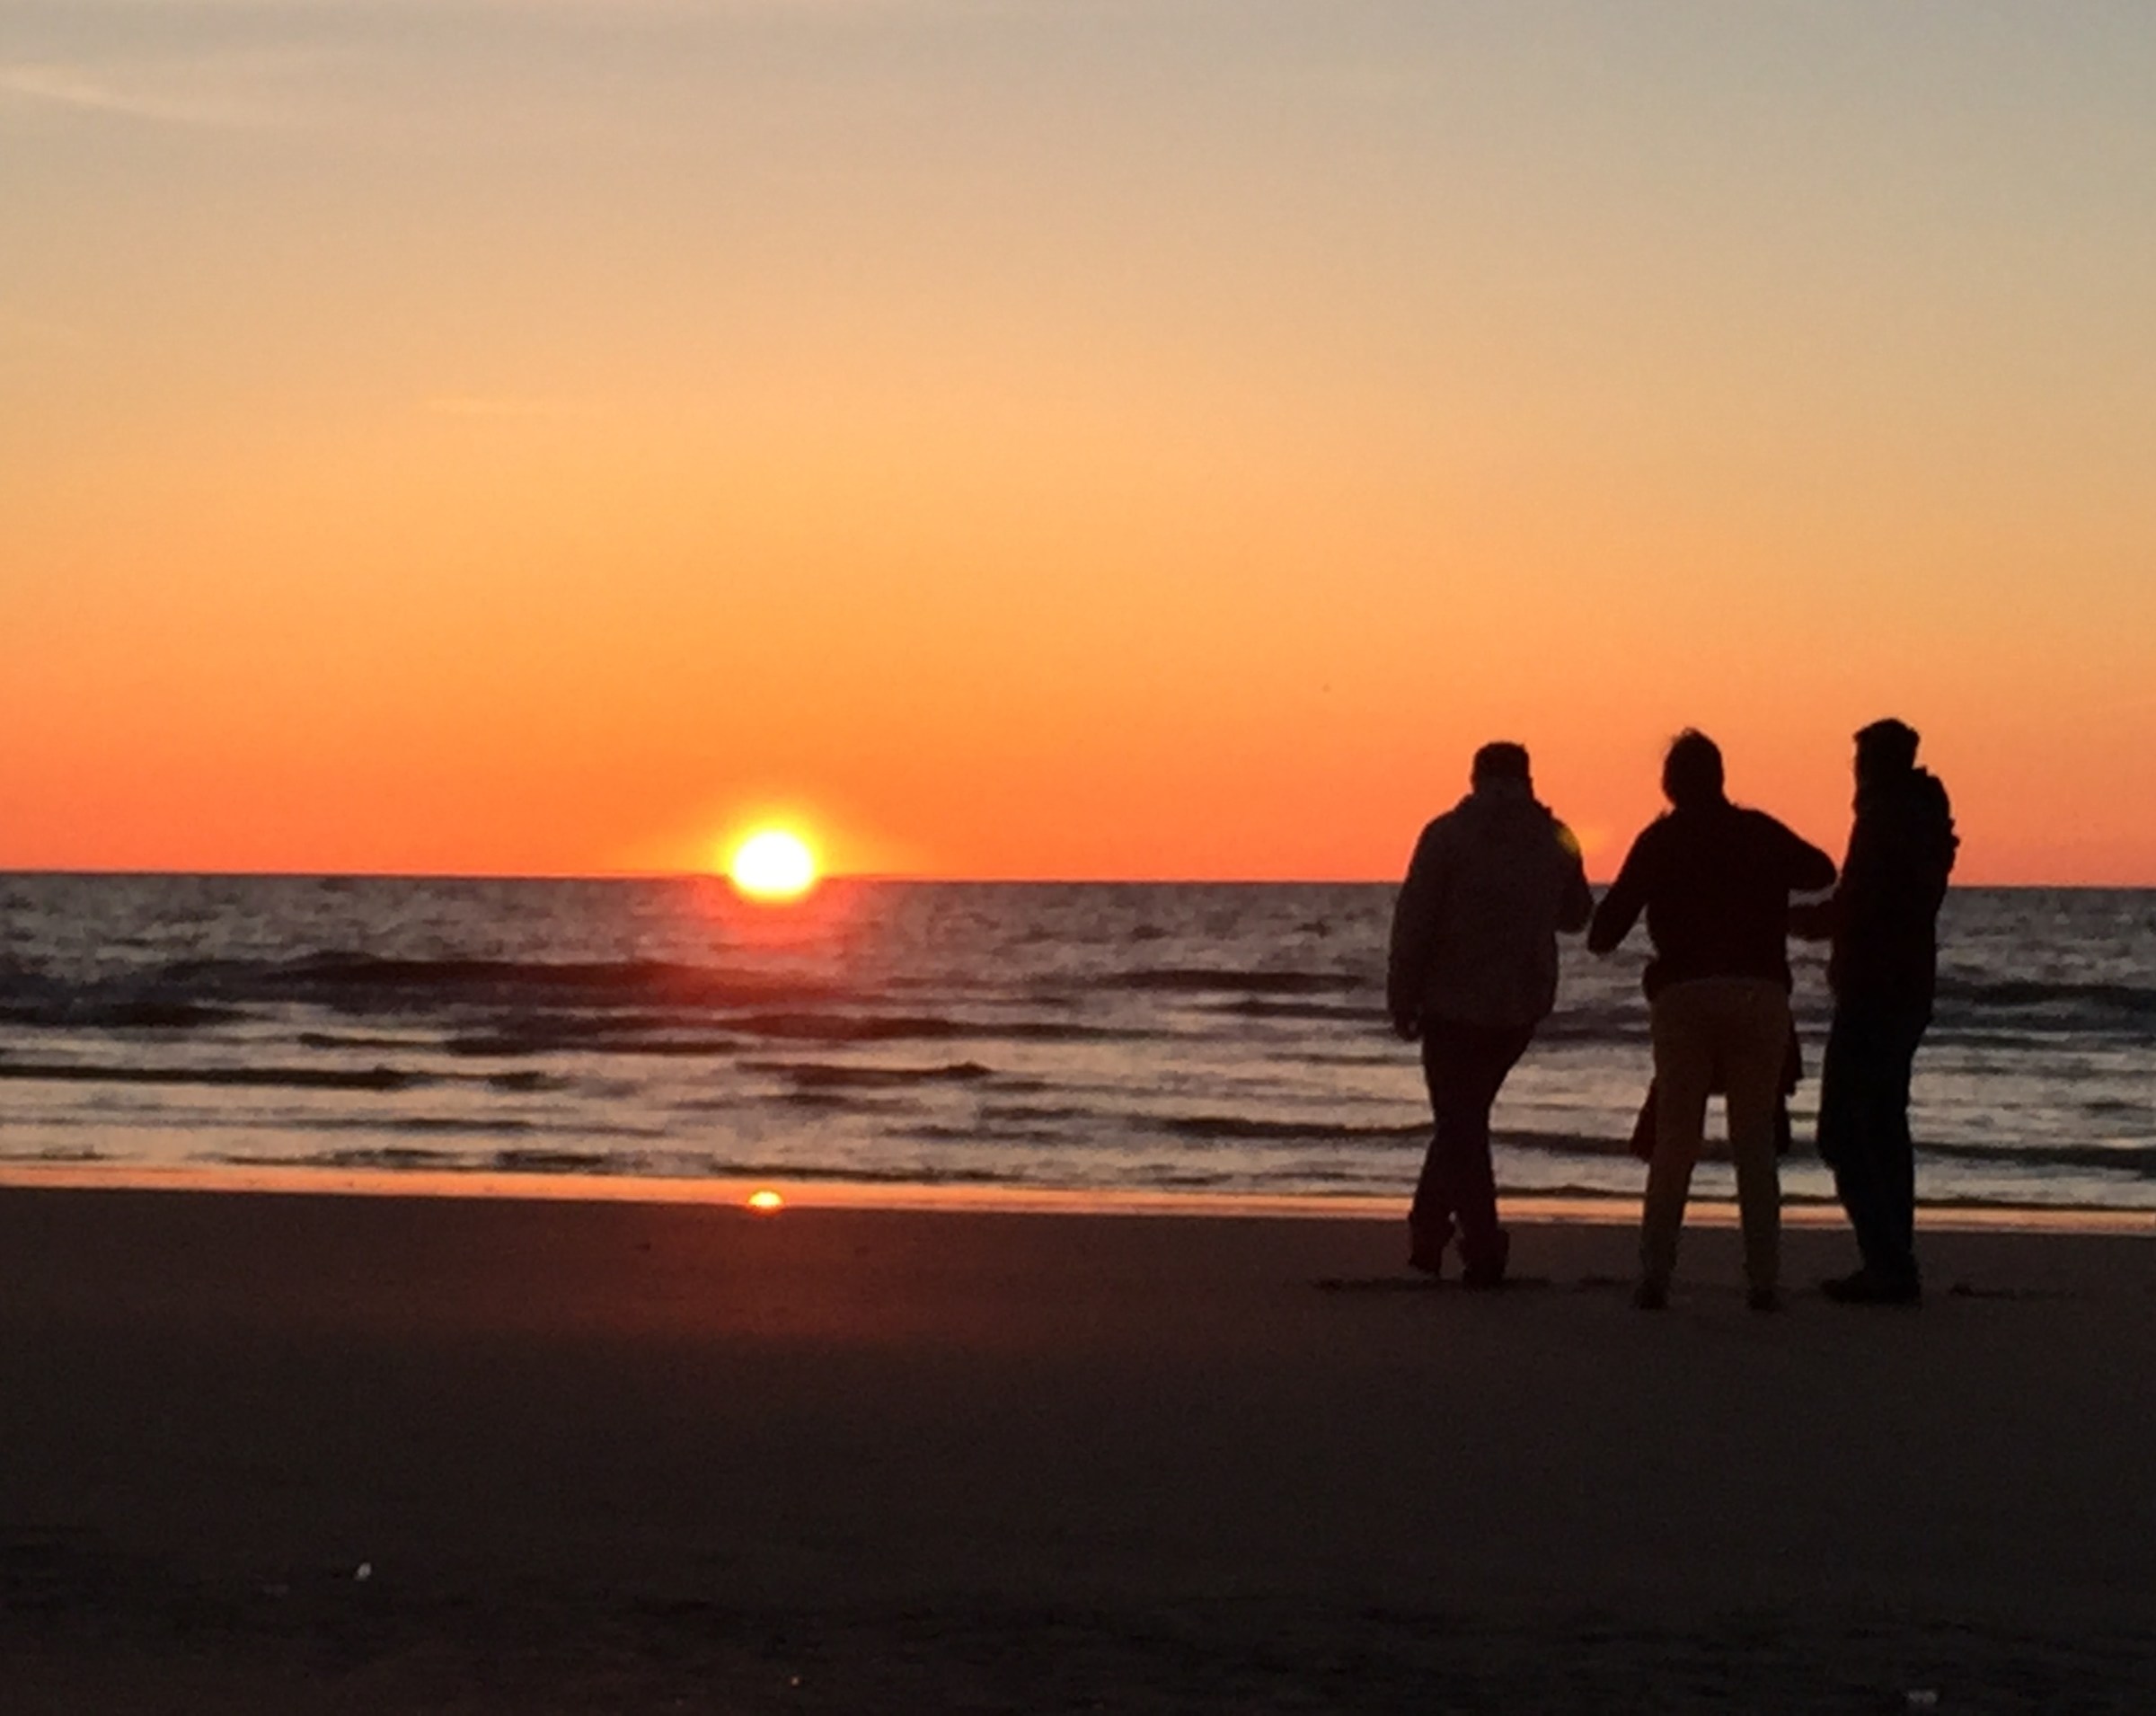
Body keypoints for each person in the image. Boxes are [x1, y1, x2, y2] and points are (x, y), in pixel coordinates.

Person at [1588, 731, 1835, 1312]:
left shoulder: (1660, 840)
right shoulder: (1758, 831)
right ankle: (1763, 1280)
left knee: (1676, 1137)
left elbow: (1603, 934)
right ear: (1721, 777)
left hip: (1685, 994)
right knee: (1753, 1139)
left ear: (1670, 784)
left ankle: (1655, 1276)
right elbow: (1821, 869)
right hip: (1758, 991)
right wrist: (1773, 901)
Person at [1386, 742, 1593, 1287]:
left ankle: (1476, 1244)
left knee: (1461, 1121)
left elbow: (1414, 921)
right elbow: (1576, 916)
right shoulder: (1556, 837)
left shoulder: (1446, 835)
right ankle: (1433, 1232)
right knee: (1464, 1118)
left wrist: (1401, 994)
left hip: (1451, 1001)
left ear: (1475, 777)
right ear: (1527, 778)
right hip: (1519, 1005)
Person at [1791, 719, 1958, 1305]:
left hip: (1876, 987)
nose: (1853, 771)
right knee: (1884, 1122)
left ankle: (1887, 1261)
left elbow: (1857, 906)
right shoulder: (1922, 817)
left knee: (1843, 1128)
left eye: (1858, 759)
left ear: (1874, 764)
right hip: (1907, 984)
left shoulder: (1885, 818)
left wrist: (1788, 920)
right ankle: (1893, 1258)